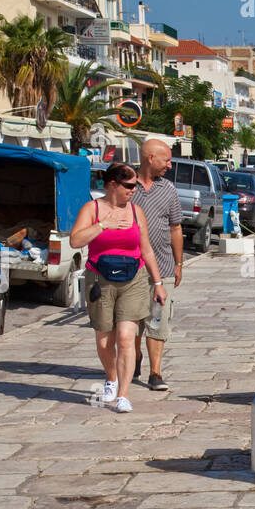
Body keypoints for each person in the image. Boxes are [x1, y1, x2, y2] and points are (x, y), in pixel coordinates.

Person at [70, 162, 165, 414]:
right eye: (129, 186)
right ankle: (111, 377)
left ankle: (123, 394)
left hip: (133, 279)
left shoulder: (136, 212)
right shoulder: (92, 209)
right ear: (113, 184)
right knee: (104, 341)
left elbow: (146, 249)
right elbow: (75, 240)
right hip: (100, 280)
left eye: (135, 186)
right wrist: (102, 226)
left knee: (125, 338)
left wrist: (158, 283)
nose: (134, 190)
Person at [133, 138, 184, 392]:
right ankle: (135, 357)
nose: (170, 166)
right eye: (166, 160)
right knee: (131, 321)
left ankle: (155, 372)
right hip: (130, 268)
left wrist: (179, 263)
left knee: (157, 319)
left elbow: (176, 228)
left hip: (162, 267)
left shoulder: (169, 190)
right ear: (150, 159)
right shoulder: (128, 187)